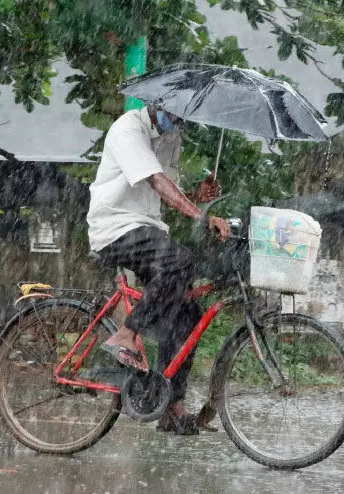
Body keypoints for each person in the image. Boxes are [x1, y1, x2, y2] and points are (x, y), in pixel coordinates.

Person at [87, 104, 231, 434]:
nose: (177, 121)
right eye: (174, 114)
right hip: (116, 227)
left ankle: (170, 405)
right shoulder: (128, 129)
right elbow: (156, 181)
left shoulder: (170, 137)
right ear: (156, 103)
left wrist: (199, 196)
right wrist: (202, 216)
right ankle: (127, 333)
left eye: (183, 117)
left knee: (186, 312)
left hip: (149, 228)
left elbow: (171, 191)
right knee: (180, 261)